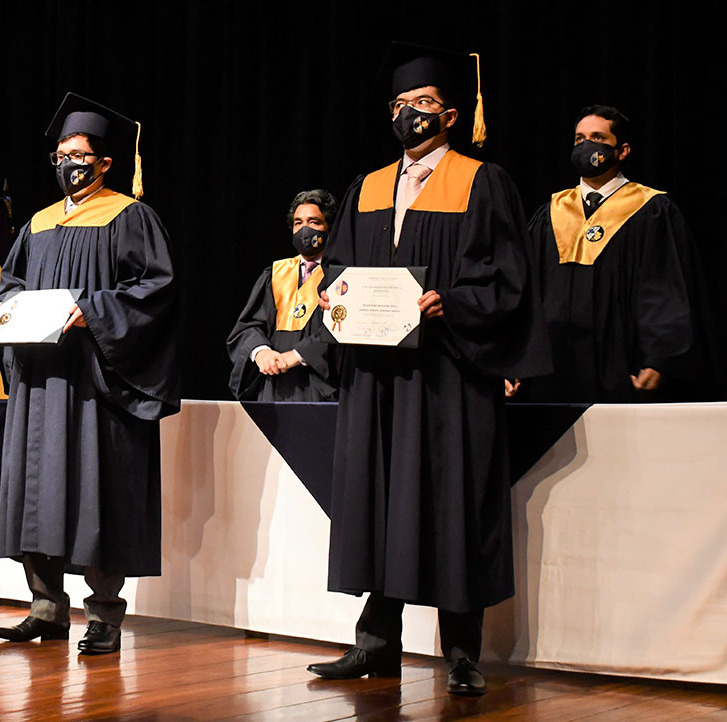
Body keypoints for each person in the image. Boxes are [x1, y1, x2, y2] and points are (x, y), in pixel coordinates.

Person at [306, 44, 549, 696]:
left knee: (451, 503)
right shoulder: (368, 185)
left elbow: (506, 277)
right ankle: (375, 643)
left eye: (417, 104)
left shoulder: (479, 180)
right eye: (396, 105)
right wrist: (332, 295)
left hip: (446, 374)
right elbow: (339, 268)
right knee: (377, 496)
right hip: (374, 373)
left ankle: (461, 651)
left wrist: (454, 301)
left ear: (448, 113)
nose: (405, 115)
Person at [0, 93, 179, 655]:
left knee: (97, 495)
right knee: (35, 492)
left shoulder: (129, 216)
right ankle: (46, 608)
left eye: (78, 154)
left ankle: (105, 617)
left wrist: (92, 312)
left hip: (95, 382)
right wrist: (14, 310)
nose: (67, 163)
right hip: (39, 380)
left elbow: (156, 292)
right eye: (60, 155)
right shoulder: (37, 224)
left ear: (104, 163)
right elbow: (9, 287)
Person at [515, 105, 700, 402]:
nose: (586, 145)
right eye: (579, 139)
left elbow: (666, 287)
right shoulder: (550, 212)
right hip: (552, 368)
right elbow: (526, 289)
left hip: (621, 365)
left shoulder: (651, 209)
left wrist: (659, 357)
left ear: (622, 151)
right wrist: (518, 355)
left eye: (597, 138)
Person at [227, 189, 340, 401]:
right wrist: (261, 353)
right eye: (298, 223)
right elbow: (248, 326)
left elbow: (344, 334)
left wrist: (298, 355)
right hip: (273, 386)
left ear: (329, 228)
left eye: (313, 222)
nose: (304, 229)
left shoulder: (342, 277)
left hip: (318, 388)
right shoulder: (275, 274)